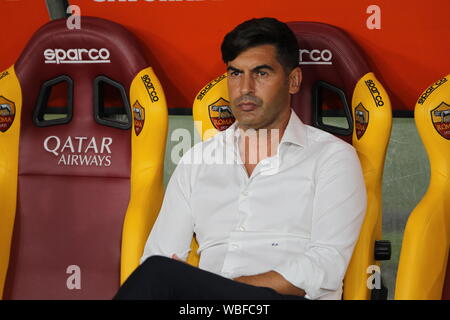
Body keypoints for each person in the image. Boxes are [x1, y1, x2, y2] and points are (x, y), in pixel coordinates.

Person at [114, 17, 366, 300]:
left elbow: (325, 267)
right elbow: (161, 256)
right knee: (156, 271)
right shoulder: (198, 161)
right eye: (235, 74)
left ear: (293, 81)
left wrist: (224, 290)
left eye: (261, 74)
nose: (245, 88)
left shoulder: (332, 158)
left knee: (160, 275)